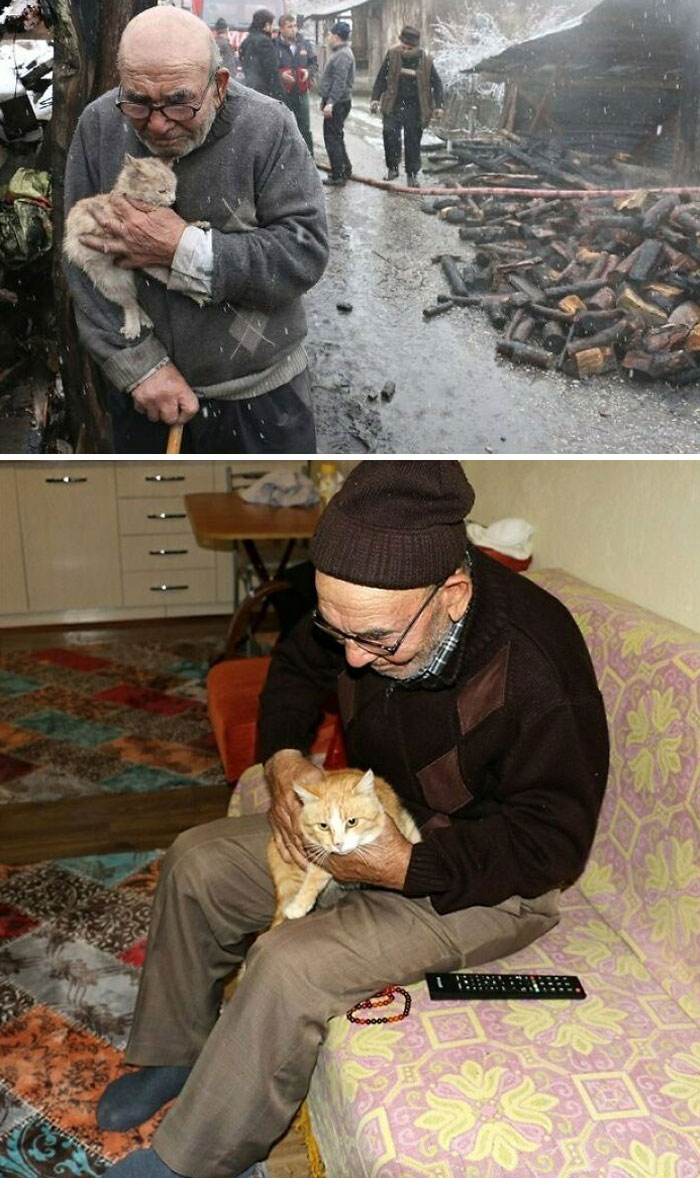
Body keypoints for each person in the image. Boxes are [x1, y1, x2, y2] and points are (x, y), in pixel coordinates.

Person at [97, 460, 610, 1178]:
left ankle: (191, 1162)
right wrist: (281, 756)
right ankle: (176, 1052)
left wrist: (410, 865)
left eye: (373, 641)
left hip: (486, 875)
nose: (350, 658)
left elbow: (552, 845)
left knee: (285, 965)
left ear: (453, 596)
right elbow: (299, 665)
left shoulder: (537, 666)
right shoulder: (359, 611)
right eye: (336, 629)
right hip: (370, 824)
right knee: (196, 861)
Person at [63, 6, 328, 454]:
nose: (159, 123)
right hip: (146, 399)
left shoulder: (268, 127)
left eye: (179, 102)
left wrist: (181, 248)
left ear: (219, 85)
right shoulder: (99, 124)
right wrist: (139, 368)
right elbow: (80, 260)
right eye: (138, 102)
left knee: (276, 519)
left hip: (259, 395)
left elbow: (304, 252)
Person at [370, 25, 444, 186]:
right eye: (403, 46)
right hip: (394, 104)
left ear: (416, 46)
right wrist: (375, 98)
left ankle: (412, 175)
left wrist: (439, 106)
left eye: (409, 48)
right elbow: (381, 77)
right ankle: (392, 168)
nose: (405, 50)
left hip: (416, 107)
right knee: (389, 133)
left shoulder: (426, 60)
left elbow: (437, 84)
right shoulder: (392, 54)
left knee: (412, 140)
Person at [318, 20, 354, 187]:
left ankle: (338, 175)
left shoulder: (342, 55)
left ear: (337, 37)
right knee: (336, 136)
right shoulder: (341, 52)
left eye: (330, 35)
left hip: (338, 102)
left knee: (332, 138)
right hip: (337, 101)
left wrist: (330, 103)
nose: (328, 37)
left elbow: (340, 82)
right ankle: (345, 168)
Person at [276, 12, 317, 155]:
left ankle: (309, 158)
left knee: (304, 127)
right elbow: (269, 69)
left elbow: (314, 63)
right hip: (283, 94)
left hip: (301, 93)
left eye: (295, 26)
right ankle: (287, 159)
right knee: (285, 127)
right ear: (281, 29)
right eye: (289, 26)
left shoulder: (303, 43)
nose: (294, 29)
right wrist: (281, 75)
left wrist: (309, 72)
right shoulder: (275, 45)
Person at [238, 8, 286, 100]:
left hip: (250, 90)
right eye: (271, 24)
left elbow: (242, 61)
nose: (272, 28)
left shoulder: (246, 41)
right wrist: (280, 96)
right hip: (265, 93)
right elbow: (272, 71)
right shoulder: (265, 43)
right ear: (266, 25)